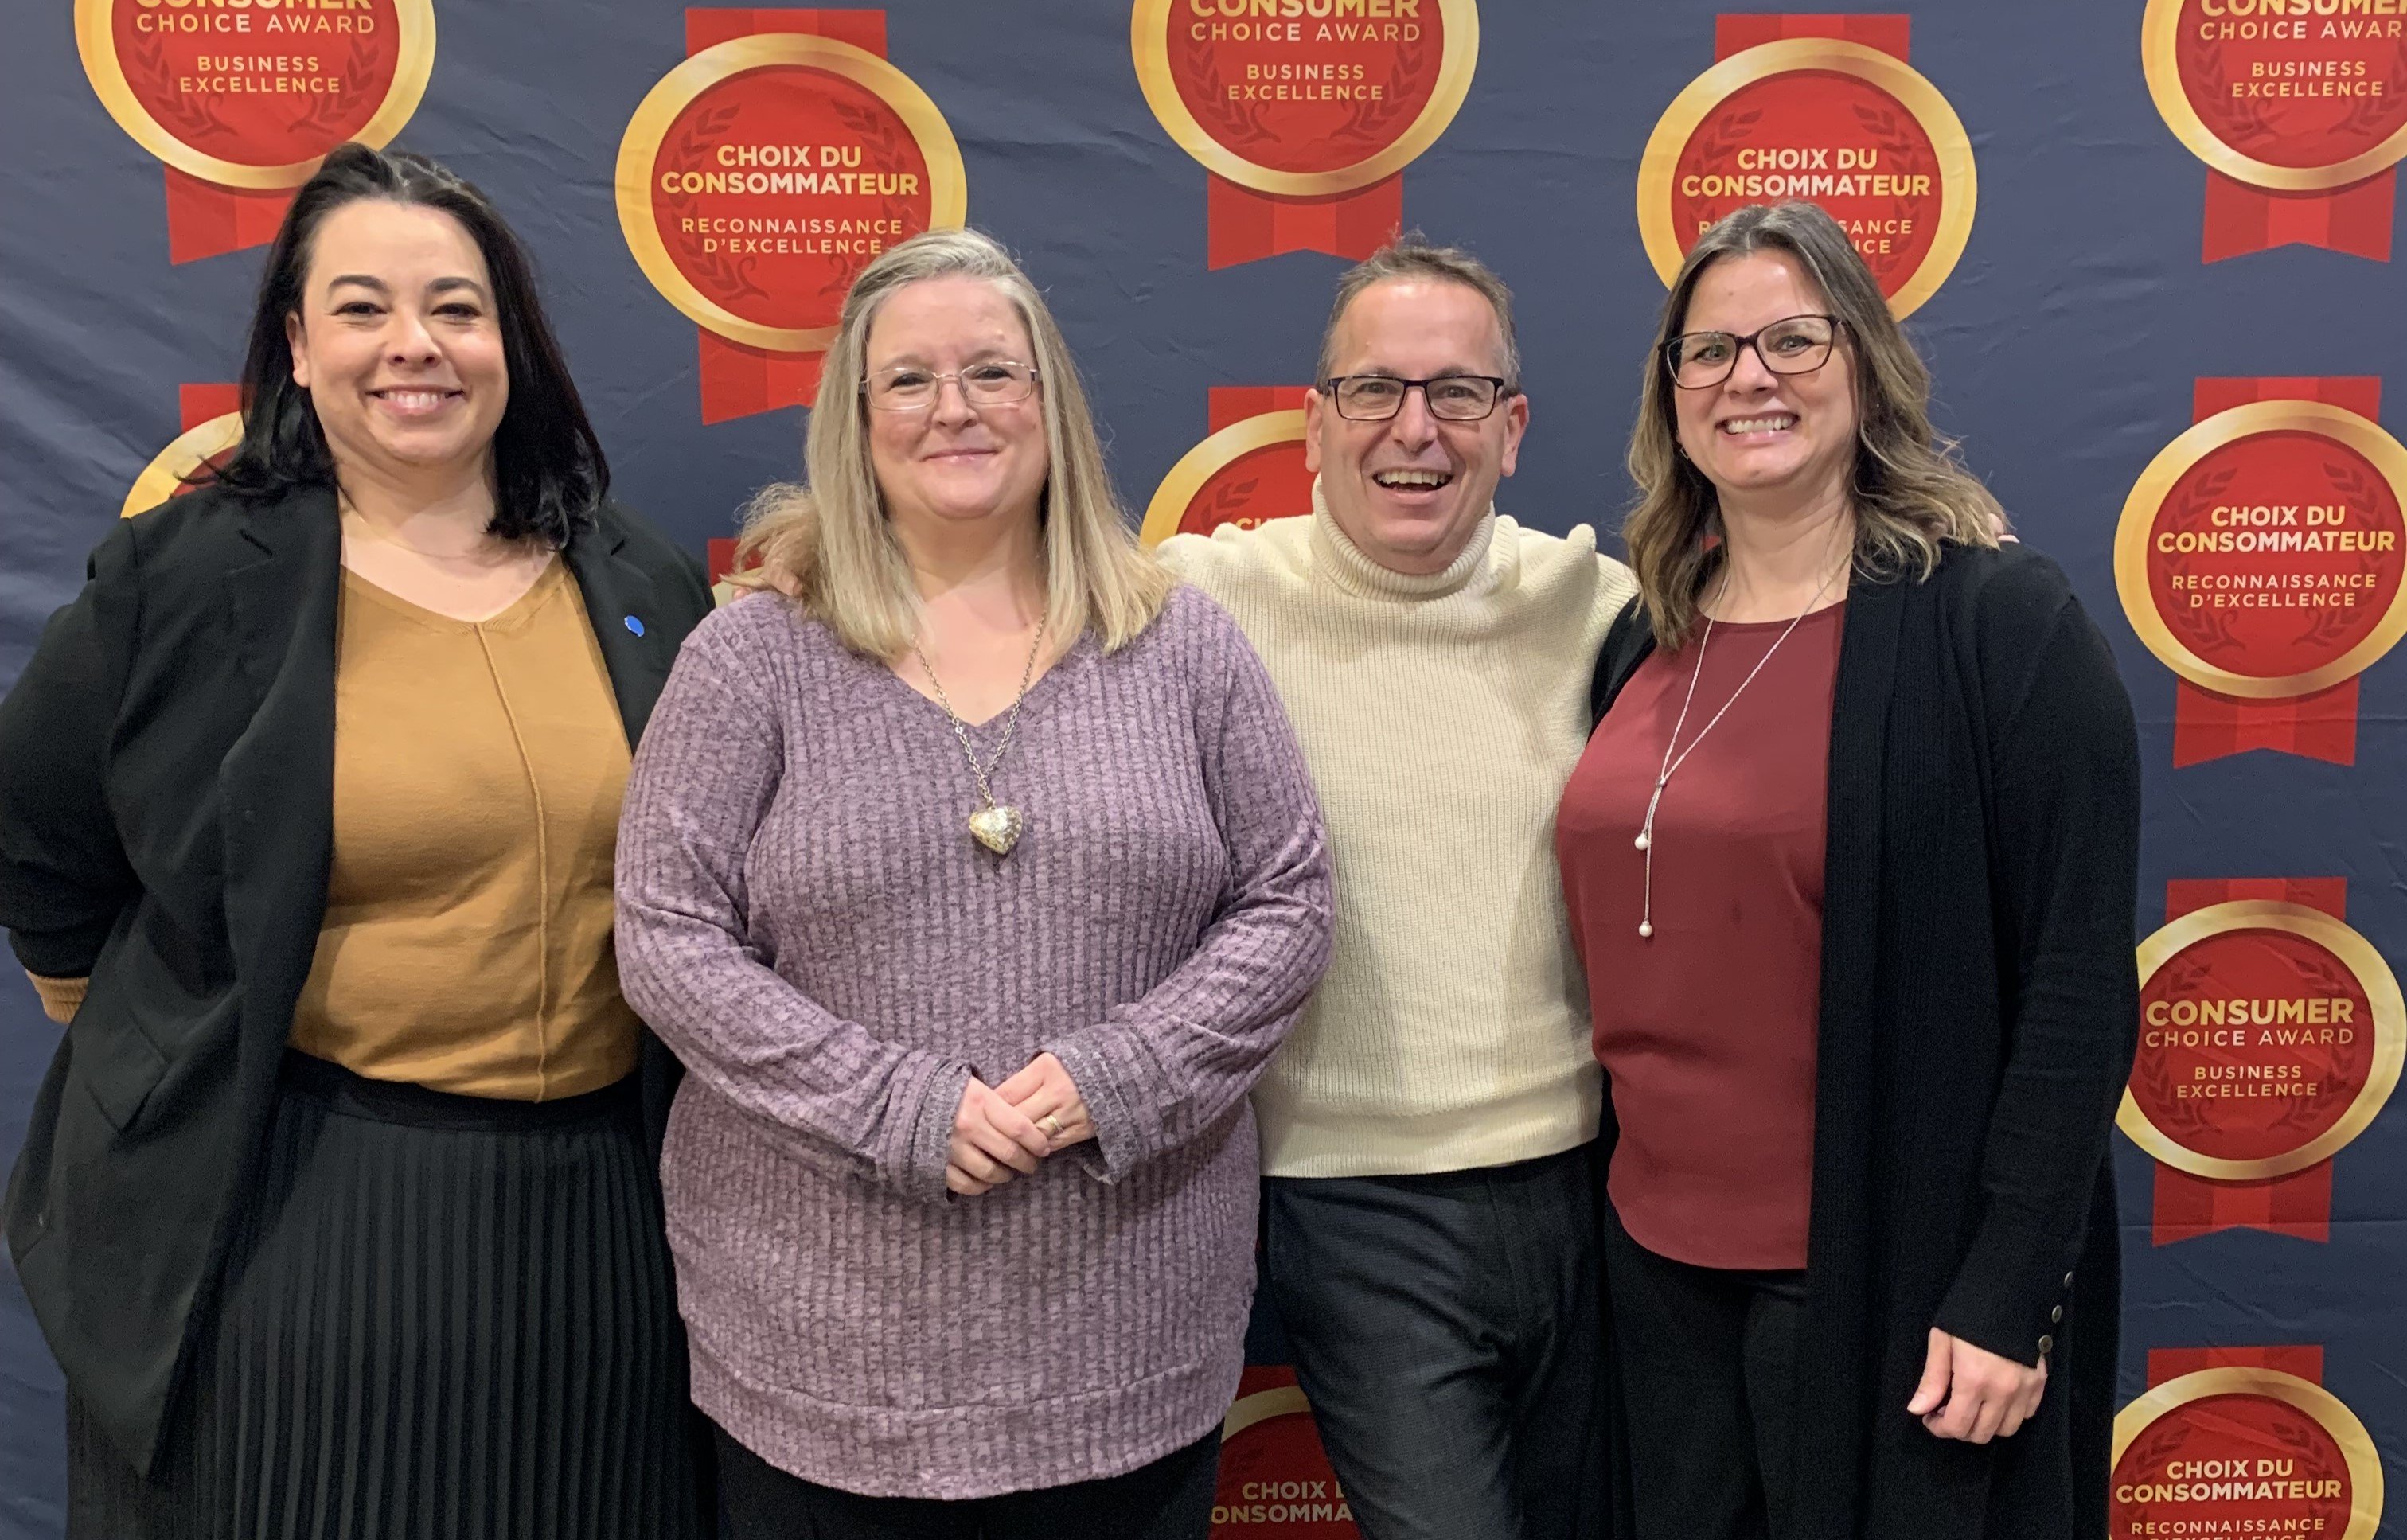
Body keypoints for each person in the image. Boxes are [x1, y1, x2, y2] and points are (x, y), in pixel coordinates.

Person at [0, 144, 714, 1538]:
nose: (415, 347)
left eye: (456, 307)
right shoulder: (189, 575)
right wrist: (139, 1031)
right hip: (284, 1216)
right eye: (364, 307)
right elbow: (37, 834)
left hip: (607, 1235)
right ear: (297, 342)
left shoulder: (638, 575)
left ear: (511, 339)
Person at [612, 226, 1332, 1540]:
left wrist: (1123, 1073)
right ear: (856, 415)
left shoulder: (1180, 645)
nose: (955, 409)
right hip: (823, 1363)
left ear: (1051, 403)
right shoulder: (755, 657)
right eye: (910, 380)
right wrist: (893, 1104)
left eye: (995, 372)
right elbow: (666, 935)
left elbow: (1288, 899)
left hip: (1128, 1344)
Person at [1559, 200, 2140, 1540]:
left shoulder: (1998, 625)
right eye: (1706, 353)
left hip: (1890, 1281)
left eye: (1792, 340)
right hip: (1652, 1269)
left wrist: (2009, 1293)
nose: (1747, 378)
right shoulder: (1639, 641)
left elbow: (2074, 989)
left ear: (1866, 366)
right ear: (1670, 394)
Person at [1159, 236, 1634, 1540]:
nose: (1414, 429)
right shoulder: (1197, 602)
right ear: (1314, 426)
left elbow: (1805, 620)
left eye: (1458, 393)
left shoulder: (1597, 604)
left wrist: (1932, 550)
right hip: (1348, 1203)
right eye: (1374, 391)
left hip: (1591, 1193)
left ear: (1514, 426)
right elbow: (977, 592)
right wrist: (812, 561)